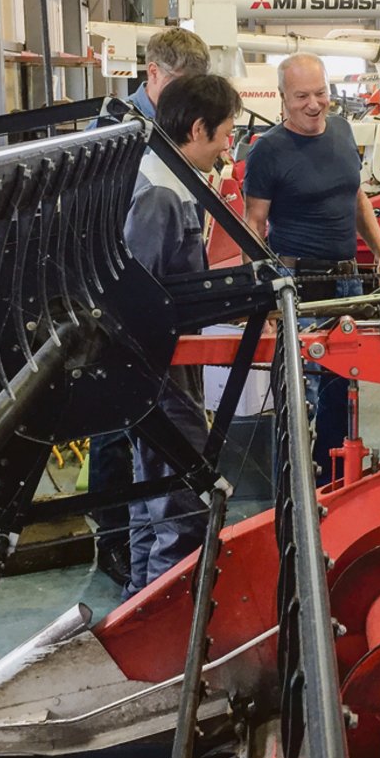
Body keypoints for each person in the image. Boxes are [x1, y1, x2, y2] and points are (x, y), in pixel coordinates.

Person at [99, 74, 243, 596]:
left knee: (153, 493)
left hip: (164, 363)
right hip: (157, 368)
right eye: (225, 133)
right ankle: (168, 622)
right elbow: (139, 295)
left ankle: (140, 601)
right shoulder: (160, 192)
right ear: (199, 127)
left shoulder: (171, 177)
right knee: (183, 503)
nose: (229, 145)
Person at [242, 53, 380, 481]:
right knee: (298, 396)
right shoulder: (269, 151)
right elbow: (253, 224)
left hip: (346, 283)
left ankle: (334, 487)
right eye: (302, 96)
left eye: (322, 93)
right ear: (282, 99)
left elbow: (356, 196)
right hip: (299, 285)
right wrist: (262, 301)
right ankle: (291, 499)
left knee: (342, 389)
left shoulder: (343, 131)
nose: (315, 104)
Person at [98, 26, 209, 122]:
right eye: (182, 84)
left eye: (197, 85)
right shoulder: (114, 123)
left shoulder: (198, 118)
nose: (189, 95)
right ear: (154, 72)